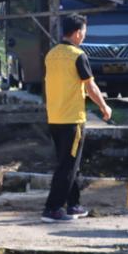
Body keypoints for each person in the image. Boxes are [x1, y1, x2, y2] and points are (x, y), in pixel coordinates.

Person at [41, 13, 112, 223]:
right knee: (67, 166)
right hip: (72, 119)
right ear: (78, 33)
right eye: (84, 32)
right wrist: (104, 106)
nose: (84, 36)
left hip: (54, 117)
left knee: (69, 164)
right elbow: (90, 86)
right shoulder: (78, 55)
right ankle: (52, 208)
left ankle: (73, 205)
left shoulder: (51, 54)